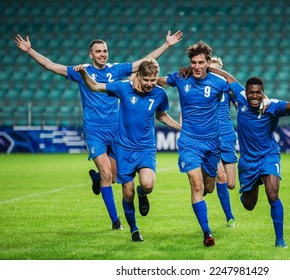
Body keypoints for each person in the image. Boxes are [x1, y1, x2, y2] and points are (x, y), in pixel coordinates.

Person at [14, 30, 183, 232]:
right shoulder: (81, 71)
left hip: (117, 131)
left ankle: (97, 180)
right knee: (106, 172)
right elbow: (51, 66)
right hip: (95, 131)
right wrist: (30, 50)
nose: (102, 54)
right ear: (91, 55)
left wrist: (167, 45)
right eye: (98, 51)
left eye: (105, 51)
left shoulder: (116, 70)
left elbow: (144, 63)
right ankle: (115, 221)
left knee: (112, 177)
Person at [207, 66, 290, 248]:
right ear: (246, 92)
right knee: (249, 205)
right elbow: (227, 77)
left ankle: (280, 240)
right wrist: (206, 67)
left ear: (263, 93)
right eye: (251, 92)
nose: (254, 96)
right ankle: (250, 188)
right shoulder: (240, 97)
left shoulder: (272, 106)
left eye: (258, 93)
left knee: (273, 194)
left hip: (268, 156)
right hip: (248, 162)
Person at [75, 58, 181, 242]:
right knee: (128, 194)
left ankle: (143, 194)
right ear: (138, 76)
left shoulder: (159, 94)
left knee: (147, 185)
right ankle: (134, 229)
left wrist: (181, 128)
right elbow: (95, 87)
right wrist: (84, 73)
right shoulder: (123, 88)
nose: (149, 84)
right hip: (124, 150)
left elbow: (161, 116)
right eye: (146, 79)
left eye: (153, 80)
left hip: (146, 148)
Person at [156, 41, 230, 247]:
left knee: (209, 186)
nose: (196, 66)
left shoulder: (219, 83)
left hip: (212, 144)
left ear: (208, 63)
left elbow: (237, 91)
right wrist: (140, 79)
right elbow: (159, 81)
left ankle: (202, 199)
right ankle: (207, 232)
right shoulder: (181, 78)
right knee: (196, 185)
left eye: (200, 62)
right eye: (193, 62)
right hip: (189, 142)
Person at [208, 56, 237, 228]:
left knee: (231, 184)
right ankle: (230, 217)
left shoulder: (228, 88)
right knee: (221, 176)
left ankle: (205, 184)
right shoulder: (204, 88)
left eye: (217, 70)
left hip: (227, 135)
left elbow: (241, 105)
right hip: (211, 136)